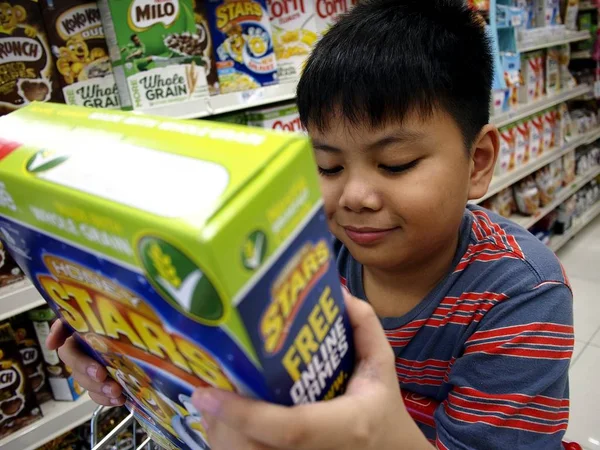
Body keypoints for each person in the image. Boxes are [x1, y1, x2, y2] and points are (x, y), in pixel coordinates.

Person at [47, 0, 575, 448]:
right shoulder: (303, 250)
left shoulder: (523, 295)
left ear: (478, 162)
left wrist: (379, 432)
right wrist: (122, 348)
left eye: (395, 164)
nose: (354, 197)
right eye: (327, 166)